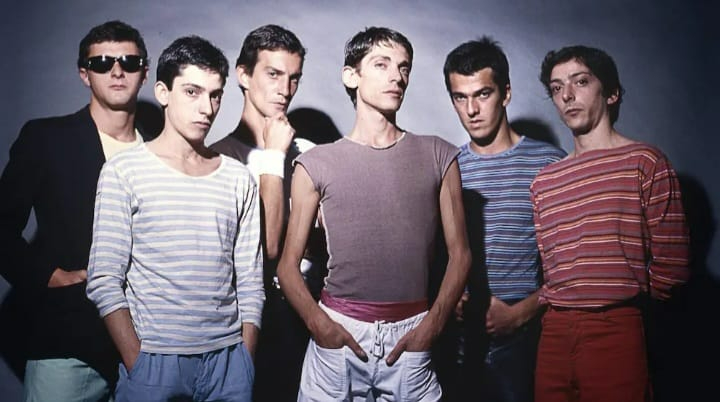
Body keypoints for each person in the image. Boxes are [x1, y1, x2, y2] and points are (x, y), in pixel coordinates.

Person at [276, 27, 471, 401]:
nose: (397, 76)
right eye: (382, 64)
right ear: (351, 76)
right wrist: (321, 327)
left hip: (412, 331)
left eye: (403, 67)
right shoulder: (315, 163)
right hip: (339, 331)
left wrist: (430, 328)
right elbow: (287, 266)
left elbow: (461, 255)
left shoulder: (439, 154)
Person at [86, 35, 264, 402]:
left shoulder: (237, 177)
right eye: (192, 92)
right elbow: (104, 278)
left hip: (228, 363)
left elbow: (250, 280)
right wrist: (138, 361)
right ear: (163, 93)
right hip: (155, 362)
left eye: (215, 95)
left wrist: (244, 359)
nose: (207, 108)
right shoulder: (124, 171)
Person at [0, 20, 150, 401]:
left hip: (148, 347)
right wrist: (48, 275)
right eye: (102, 63)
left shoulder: (159, 151)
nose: (117, 71)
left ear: (145, 72)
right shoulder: (47, 139)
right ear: (85, 74)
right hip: (69, 343)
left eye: (129, 62)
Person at [530, 45, 690, 402]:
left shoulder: (644, 162)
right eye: (556, 88)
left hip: (616, 327)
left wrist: (623, 304)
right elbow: (551, 269)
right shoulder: (544, 182)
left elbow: (673, 267)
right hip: (553, 331)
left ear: (612, 92)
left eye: (580, 82)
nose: (567, 95)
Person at [441, 37, 566, 402]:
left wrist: (519, 314)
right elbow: (437, 255)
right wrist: (451, 297)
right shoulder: (448, 167)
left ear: (506, 93)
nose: (471, 110)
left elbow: (573, 265)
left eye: (483, 94)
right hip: (460, 337)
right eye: (460, 97)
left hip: (525, 336)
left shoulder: (549, 164)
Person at [209, 25, 323, 401]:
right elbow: (263, 250)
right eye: (273, 74)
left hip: (308, 319)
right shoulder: (218, 159)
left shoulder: (309, 153)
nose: (285, 89)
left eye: (294, 78)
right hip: (248, 323)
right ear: (243, 75)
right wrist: (274, 156)